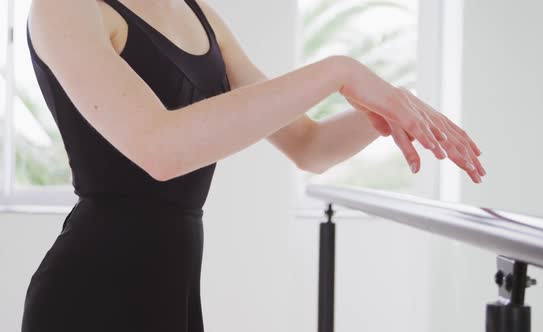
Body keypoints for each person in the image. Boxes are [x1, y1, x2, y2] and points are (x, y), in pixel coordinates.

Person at [22, 0, 486, 331]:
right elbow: (160, 148)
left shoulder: (198, 15)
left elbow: (310, 144)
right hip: (89, 295)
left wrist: (391, 112)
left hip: (171, 292)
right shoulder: (65, 8)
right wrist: (338, 71)